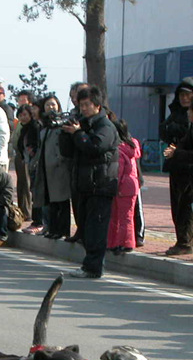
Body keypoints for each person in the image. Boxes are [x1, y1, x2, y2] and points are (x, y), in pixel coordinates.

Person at [60, 86, 119, 279]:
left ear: (97, 105)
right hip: (84, 184)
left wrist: (78, 134)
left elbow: (95, 147)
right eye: (81, 104)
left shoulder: (105, 126)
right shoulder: (82, 125)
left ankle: (93, 267)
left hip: (101, 185)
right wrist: (66, 133)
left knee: (96, 228)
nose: (83, 108)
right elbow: (68, 152)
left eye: (87, 105)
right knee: (85, 227)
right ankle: (90, 264)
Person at [159, 77, 193, 255]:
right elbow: (163, 131)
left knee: (187, 206)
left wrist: (179, 135)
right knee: (176, 206)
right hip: (175, 165)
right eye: (182, 95)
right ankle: (181, 239)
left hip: (191, 166)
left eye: (188, 95)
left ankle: (187, 242)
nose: (184, 98)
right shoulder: (174, 112)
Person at [31, 96, 73, 239]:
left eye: (53, 104)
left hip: (59, 169)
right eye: (48, 105)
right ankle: (53, 229)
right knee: (51, 202)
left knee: (62, 202)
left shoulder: (63, 124)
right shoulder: (44, 127)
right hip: (46, 170)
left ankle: (63, 231)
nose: (51, 108)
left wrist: (60, 160)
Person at [108, 117, 141, 255]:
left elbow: (118, 171)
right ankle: (125, 242)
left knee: (116, 217)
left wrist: (112, 185)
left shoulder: (118, 149)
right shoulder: (132, 145)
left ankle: (120, 243)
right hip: (132, 185)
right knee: (127, 216)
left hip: (121, 186)